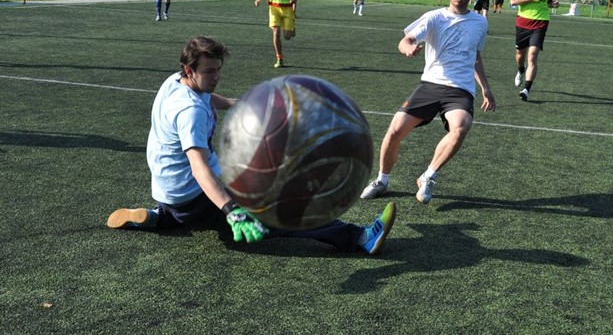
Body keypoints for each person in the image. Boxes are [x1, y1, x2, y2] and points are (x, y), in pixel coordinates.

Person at [107, 36, 396, 255]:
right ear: (189, 69)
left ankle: (161, 217)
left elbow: (210, 99)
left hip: (169, 190)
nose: (216, 77)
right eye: (209, 72)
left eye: (218, 70)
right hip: (192, 193)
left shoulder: (175, 82)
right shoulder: (189, 112)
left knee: (204, 205)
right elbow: (198, 168)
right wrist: (232, 209)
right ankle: (359, 238)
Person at [360, 0, 496, 204]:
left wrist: (485, 87)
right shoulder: (434, 17)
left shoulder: (480, 22)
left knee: (460, 127)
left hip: (460, 89)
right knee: (394, 130)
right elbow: (406, 40)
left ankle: (428, 176)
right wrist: (408, 48)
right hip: (431, 84)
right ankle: (382, 181)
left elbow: (475, 55)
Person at [510, 0, 559, 101]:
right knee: (520, 56)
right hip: (522, 23)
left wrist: (554, 5)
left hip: (540, 23)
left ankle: (526, 89)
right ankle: (520, 69)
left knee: (532, 55)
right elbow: (513, 1)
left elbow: (549, 3)